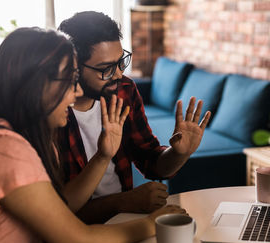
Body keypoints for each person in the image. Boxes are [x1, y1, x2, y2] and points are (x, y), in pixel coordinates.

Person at [0, 27, 185, 243]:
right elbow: (77, 241)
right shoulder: (1, 149)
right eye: (70, 81)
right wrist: (151, 223)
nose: (78, 92)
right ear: (37, 85)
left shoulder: (12, 134)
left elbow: (62, 205)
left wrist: (104, 156)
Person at [57, 11, 211, 224]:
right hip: (73, 235)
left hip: (124, 221)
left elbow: (150, 161)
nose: (119, 75)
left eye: (121, 62)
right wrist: (122, 201)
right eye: (106, 69)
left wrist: (179, 154)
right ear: (72, 66)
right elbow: (58, 212)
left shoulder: (124, 90)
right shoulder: (50, 113)